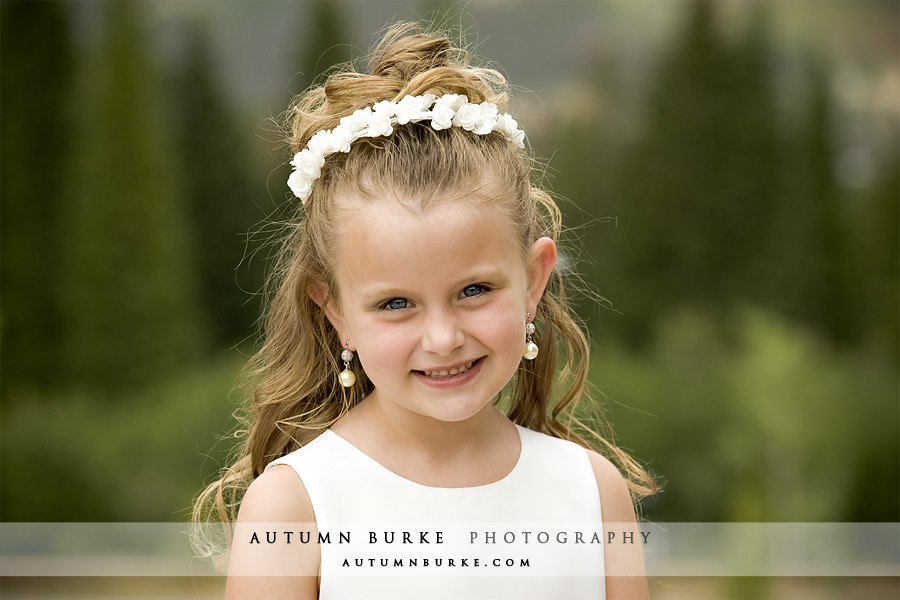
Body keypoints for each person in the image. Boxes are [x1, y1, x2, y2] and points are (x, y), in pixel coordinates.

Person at [193, 21, 655, 600]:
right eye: (396, 303)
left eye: (474, 291)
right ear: (334, 311)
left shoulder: (593, 494)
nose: (442, 338)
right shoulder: (294, 508)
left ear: (534, 280)